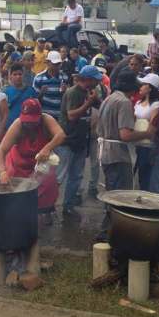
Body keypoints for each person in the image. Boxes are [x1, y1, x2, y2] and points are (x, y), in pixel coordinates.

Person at [96, 71, 150, 238]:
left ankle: (107, 232)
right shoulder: (124, 102)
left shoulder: (110, 98)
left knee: (112, 194)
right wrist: (147, 134)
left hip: (105, 152)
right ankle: (110, 234)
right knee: (120, 197)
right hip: (118, 154)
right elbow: (125, 135)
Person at [0, 99, 66, 222]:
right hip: (19, 162)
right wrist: (2, 171)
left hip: (41, 161)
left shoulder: (47, 120)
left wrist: (47, 148)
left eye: (33, 121)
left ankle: (45, 211)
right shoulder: (18, 124)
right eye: (27, 121)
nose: (29, 124)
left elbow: (61, 135)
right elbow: (1, 150)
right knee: (16, 188)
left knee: (48, 184)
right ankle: (17, 213)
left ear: (40, 115)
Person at [58, 65, 103, 219]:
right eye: (95, 79)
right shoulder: (74, 92)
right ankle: (46, 207)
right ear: (88, 79)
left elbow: (101, 106)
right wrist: (88, 104)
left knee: (76, 176)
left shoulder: (87, 92)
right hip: (68, 140)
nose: (98, 82)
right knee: (59, 176)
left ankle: (68, 206)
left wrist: (96, 100)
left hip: (81, 140)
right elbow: (71, 115)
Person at [134, 73, 159, 191]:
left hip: (147, 145)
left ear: (150, 88)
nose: (140, 87)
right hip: (134, 143)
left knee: (145, 176)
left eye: (143, 85)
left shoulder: (156, 105)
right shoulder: (137, 103)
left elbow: (153, 126)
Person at [33, 50, 69, 119]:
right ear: (48, 63)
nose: (57, 66)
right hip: (45, 116)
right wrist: (41, 93)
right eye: (55, 64)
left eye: (59, 64)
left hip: (60, 116)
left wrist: (65, 92)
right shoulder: (39, 78)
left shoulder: (64, 77)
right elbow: (34, 100)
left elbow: (67, 99)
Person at [3, 63, 37, 129]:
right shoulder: (5, 92)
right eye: (15, 74)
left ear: (23, 75)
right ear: (10, 76)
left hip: (27, 127)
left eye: (20, 74)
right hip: (10, 127)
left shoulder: (31, 91)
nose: (18, 77)